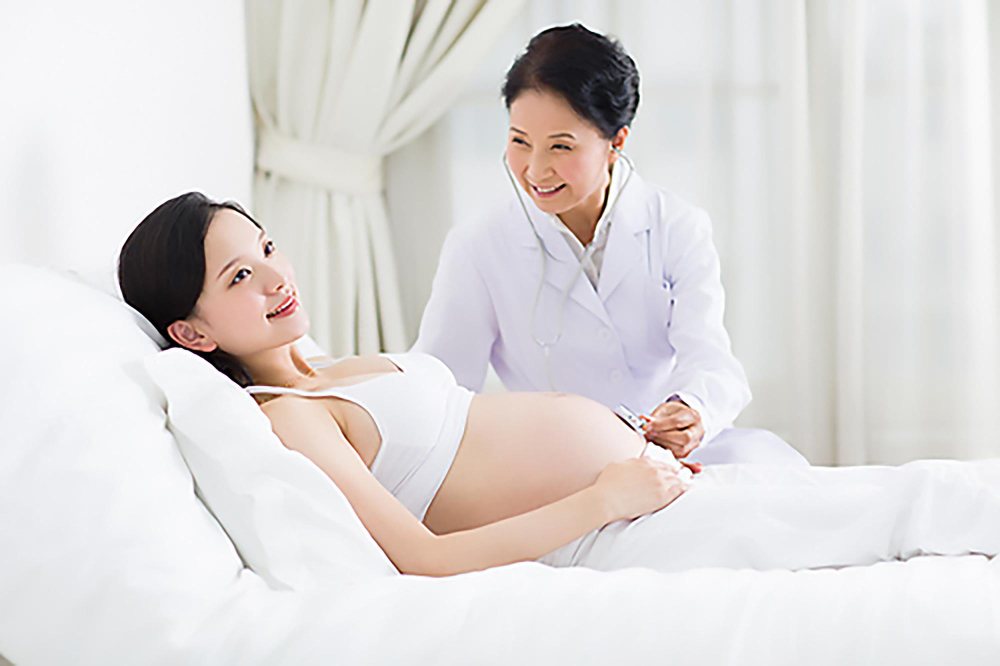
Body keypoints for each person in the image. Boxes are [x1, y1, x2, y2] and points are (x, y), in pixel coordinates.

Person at [118, 192, 1000, 577]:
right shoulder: (289, 420)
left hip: (641, 489)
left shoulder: (334, 363)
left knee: (896, 503)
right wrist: (604, 494)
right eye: (237, 278)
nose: (275, 278)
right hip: (601, 532)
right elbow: (420, 560)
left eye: (265, 248)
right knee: (905, 504)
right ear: (191, 332)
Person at [413, 24, 806, 466]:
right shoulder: (478, 247)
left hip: (676, 458)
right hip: (553, 468)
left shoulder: (677, 227)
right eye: (520, 141)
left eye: (561, 147)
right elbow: (440, 388)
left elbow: (711, 360)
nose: (536, 170)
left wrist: (691, 411)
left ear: (616, 141)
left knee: (780, 482)